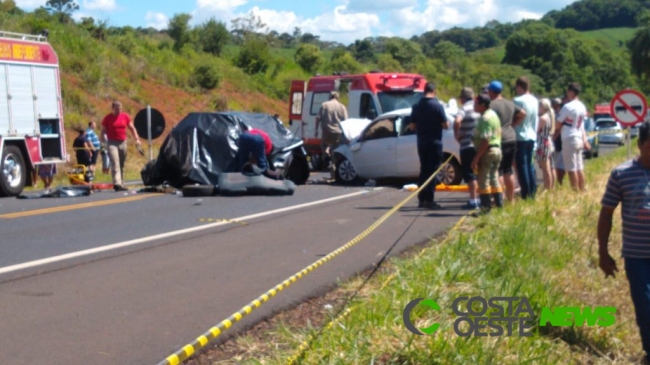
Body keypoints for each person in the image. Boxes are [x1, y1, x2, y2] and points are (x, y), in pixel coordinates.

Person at [598, 121, 650, 365]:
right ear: (639, 145)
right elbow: (606, 213)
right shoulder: (622, 174)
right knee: (646, 308)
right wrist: (603, 253)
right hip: (637, 257)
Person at [409, 82, 448, 210]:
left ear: (424, 91)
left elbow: (412, 126)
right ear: (434, 91)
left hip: (422, 142)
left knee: (423, 170)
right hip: (435, 142)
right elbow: (445, 125)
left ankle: (421, 199)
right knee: (432, 172)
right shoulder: (437, 106)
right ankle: (429, 200)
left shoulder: (416, 106)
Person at [487, 80, 526, 203]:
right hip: (511, 137)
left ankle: (500, 197)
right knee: (508, 170)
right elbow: (523, 113)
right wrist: (512, 124)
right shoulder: (510, 103)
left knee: (497, 170)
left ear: (491, 92)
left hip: (498, 139)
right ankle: (511, 199)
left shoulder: (491, 105)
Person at [471, 94, 503, 214]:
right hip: (497, 150)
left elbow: (485, 140)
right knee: (494, 177)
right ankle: (499, 206)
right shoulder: (494, 115)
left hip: (488, 151)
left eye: (476, 104)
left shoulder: (485, 118)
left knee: (483, 179)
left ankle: (485, 209)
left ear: (483, 105)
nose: (474, 106)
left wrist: (476, 158)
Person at [555, 83, 590, 192]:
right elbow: (582, 125)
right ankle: (582, 188)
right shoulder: (582, 106)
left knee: (571, 168)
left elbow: (558, 124)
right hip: (578, 136)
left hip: (569, 137)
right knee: (579, 167)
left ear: (571, 92)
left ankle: (575, 191)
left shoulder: (567, 106)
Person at [100, 100, 141, 191]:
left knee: (121, 163)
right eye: (117, 109)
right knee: (115, 162)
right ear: (113, 109)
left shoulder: (125, 116)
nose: (119, 111)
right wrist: (102, 143)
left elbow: (132, 128)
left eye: (120, 109)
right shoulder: (107, 118)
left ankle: (121, 183)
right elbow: (103, 131)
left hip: (123, 142)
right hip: (111, 143)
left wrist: (137, 139)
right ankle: (117, 183)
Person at [454, 87, 480, 210]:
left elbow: (457, 121)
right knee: (480, 173)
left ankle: (473, 200)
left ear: (463, 98)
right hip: (479, 146)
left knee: (470, 175)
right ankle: (481, 199)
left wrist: (457, 135)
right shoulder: (479, 108)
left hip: (467, 145)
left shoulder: (464, 108)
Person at [513, 76, 539, 200]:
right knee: (529, 165)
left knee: (521, 166)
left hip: (520, 135)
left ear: (519, 87)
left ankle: (526, 193)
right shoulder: (535, 100)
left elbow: (515, 116)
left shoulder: (518, 100)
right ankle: (532, 192)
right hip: (532, 135)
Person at [314, 91, 348, 180]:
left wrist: (316, 130)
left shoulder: (324, 105)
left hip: (326, 131)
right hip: (337, 132)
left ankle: (326, 155)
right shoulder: (342, 107)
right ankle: (333, 173)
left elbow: (318, 118)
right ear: (337, 97)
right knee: (335, 151)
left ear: (330, 97)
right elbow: (345, 121)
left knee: (323, 145)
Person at [536, 98, 556, 191]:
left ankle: (547, 188)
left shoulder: (543, 118)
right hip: (548, 142)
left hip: (542, 143)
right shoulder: (549, 116)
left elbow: (536, 130)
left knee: (545, 168)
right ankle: (551, 187)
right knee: (550, 167)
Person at [552, 97, 565, 186]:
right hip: (557, 142)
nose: (556, 107)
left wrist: (553, 138)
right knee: (556, 163)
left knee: (559, 164)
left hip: (560, 142)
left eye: (557, 105)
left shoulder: (560, 115)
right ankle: (557, 181)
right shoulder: (555, 114)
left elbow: (558, 129)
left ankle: (559, 181)